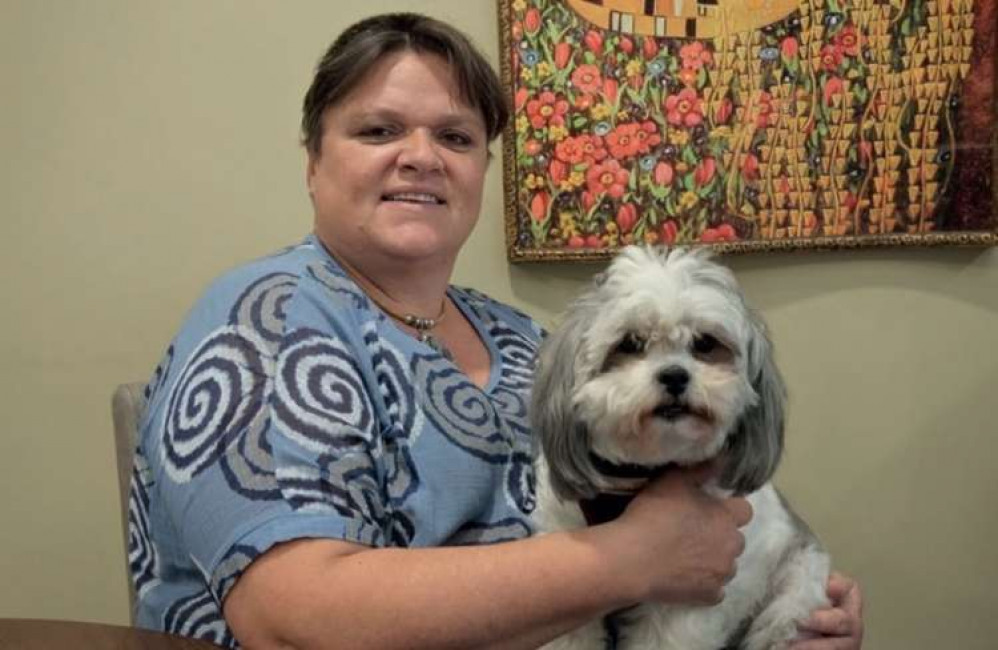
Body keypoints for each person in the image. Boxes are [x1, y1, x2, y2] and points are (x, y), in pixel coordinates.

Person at [128, 12, 863, 649]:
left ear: (483, 166)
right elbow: (292, 622)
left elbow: (679, 547)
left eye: (455, 136)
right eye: (378, 129)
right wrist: (629, 558)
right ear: (314, 161)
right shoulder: (266, 321)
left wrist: (788, 613)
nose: (420, 156)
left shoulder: (522, 340)